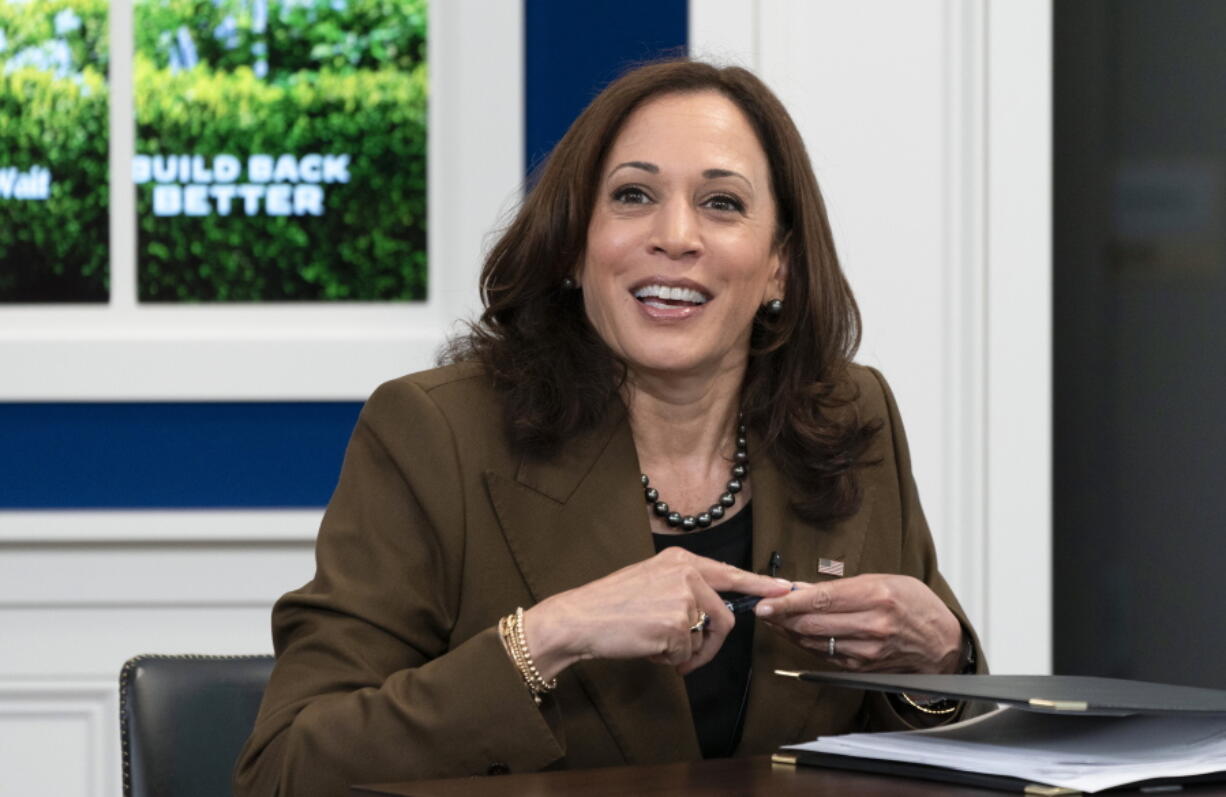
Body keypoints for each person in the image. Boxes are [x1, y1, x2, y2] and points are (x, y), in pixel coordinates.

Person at [233, 59, 984, 795]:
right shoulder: (435, 432)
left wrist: (942, 660)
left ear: (779, 267)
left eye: (722, 203)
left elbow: (936, 748)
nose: (677, 235)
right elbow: (285, 771)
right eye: (633, 195)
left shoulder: (852, 418)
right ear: (572, 246)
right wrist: (547, 637)